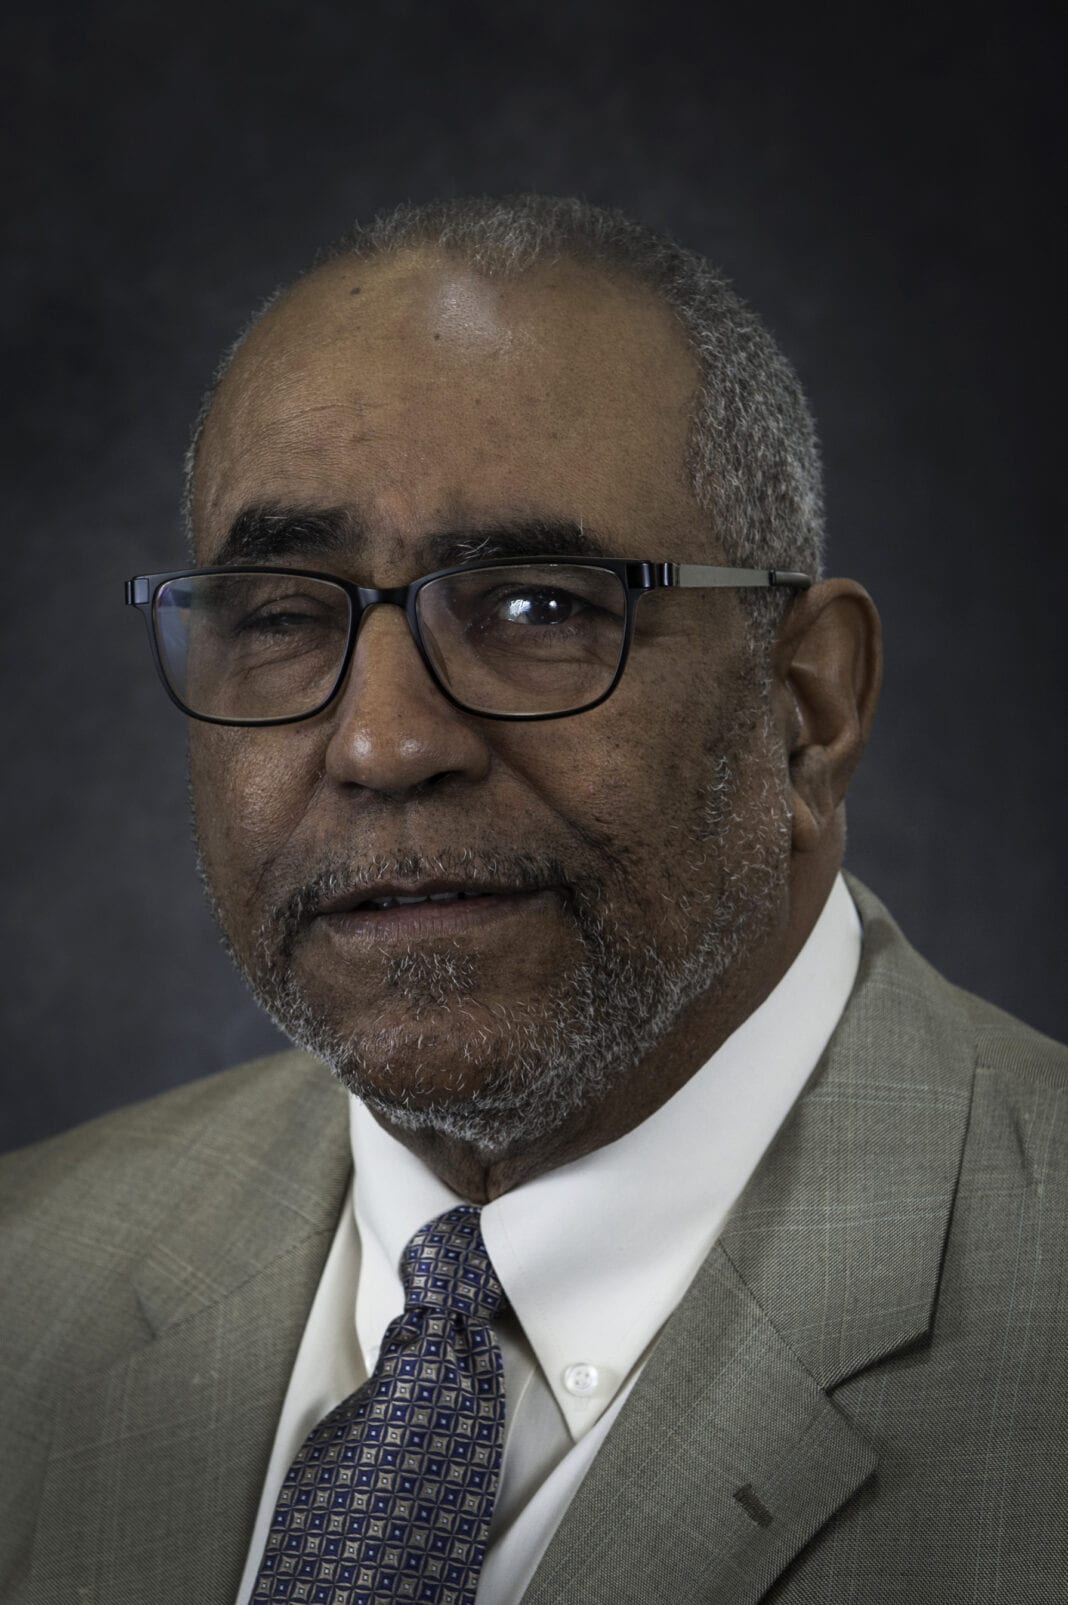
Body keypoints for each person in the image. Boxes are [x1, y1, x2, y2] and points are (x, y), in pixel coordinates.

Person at [1, 195, 1064, 1605]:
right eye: (283, 615)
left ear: (808, 705)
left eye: (537, 608)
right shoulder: (28, 1281)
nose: (384, 742)